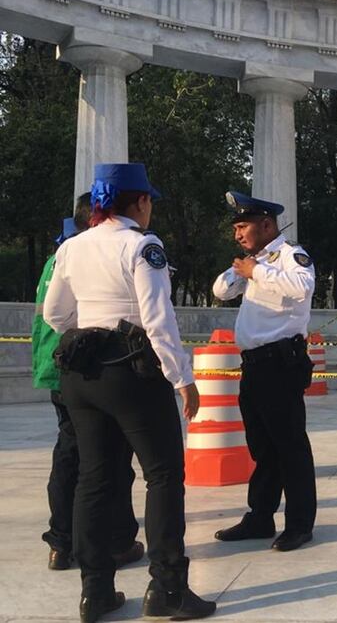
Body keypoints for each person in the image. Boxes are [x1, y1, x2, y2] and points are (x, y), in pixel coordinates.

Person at [43, 163, 216, 623]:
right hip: (131, 370)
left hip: (81, 373)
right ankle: (168, 589)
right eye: (150, 200)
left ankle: (95, 590)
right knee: (162, 475)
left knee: (94, 479)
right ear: (138, 202)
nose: (151, 208)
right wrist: (183, 377)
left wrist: (91, 334)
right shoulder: (142, 245)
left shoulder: (72, 246)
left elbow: (54, 314)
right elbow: (158, 319)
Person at [33, 194, 143, 572]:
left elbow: (51, 317)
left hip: (60, 370)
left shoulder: (57, 258)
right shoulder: (89, 257)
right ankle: (115, 541)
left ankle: (62, 542)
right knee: (107, 464)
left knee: (69, 458)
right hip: (89, 369)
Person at [212, 191, 317, 552]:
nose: (238, 234)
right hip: (254, 365)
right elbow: (221, 290)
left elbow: (302, 287)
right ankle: (260, 517)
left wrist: (257, 270)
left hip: (281, 363)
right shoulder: (253, 261)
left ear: (267, 225)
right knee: (262, 447)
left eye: (243, 226)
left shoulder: (291, 257)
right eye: (236, 227)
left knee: (290, 445)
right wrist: (246, 269)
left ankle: (300, 523)